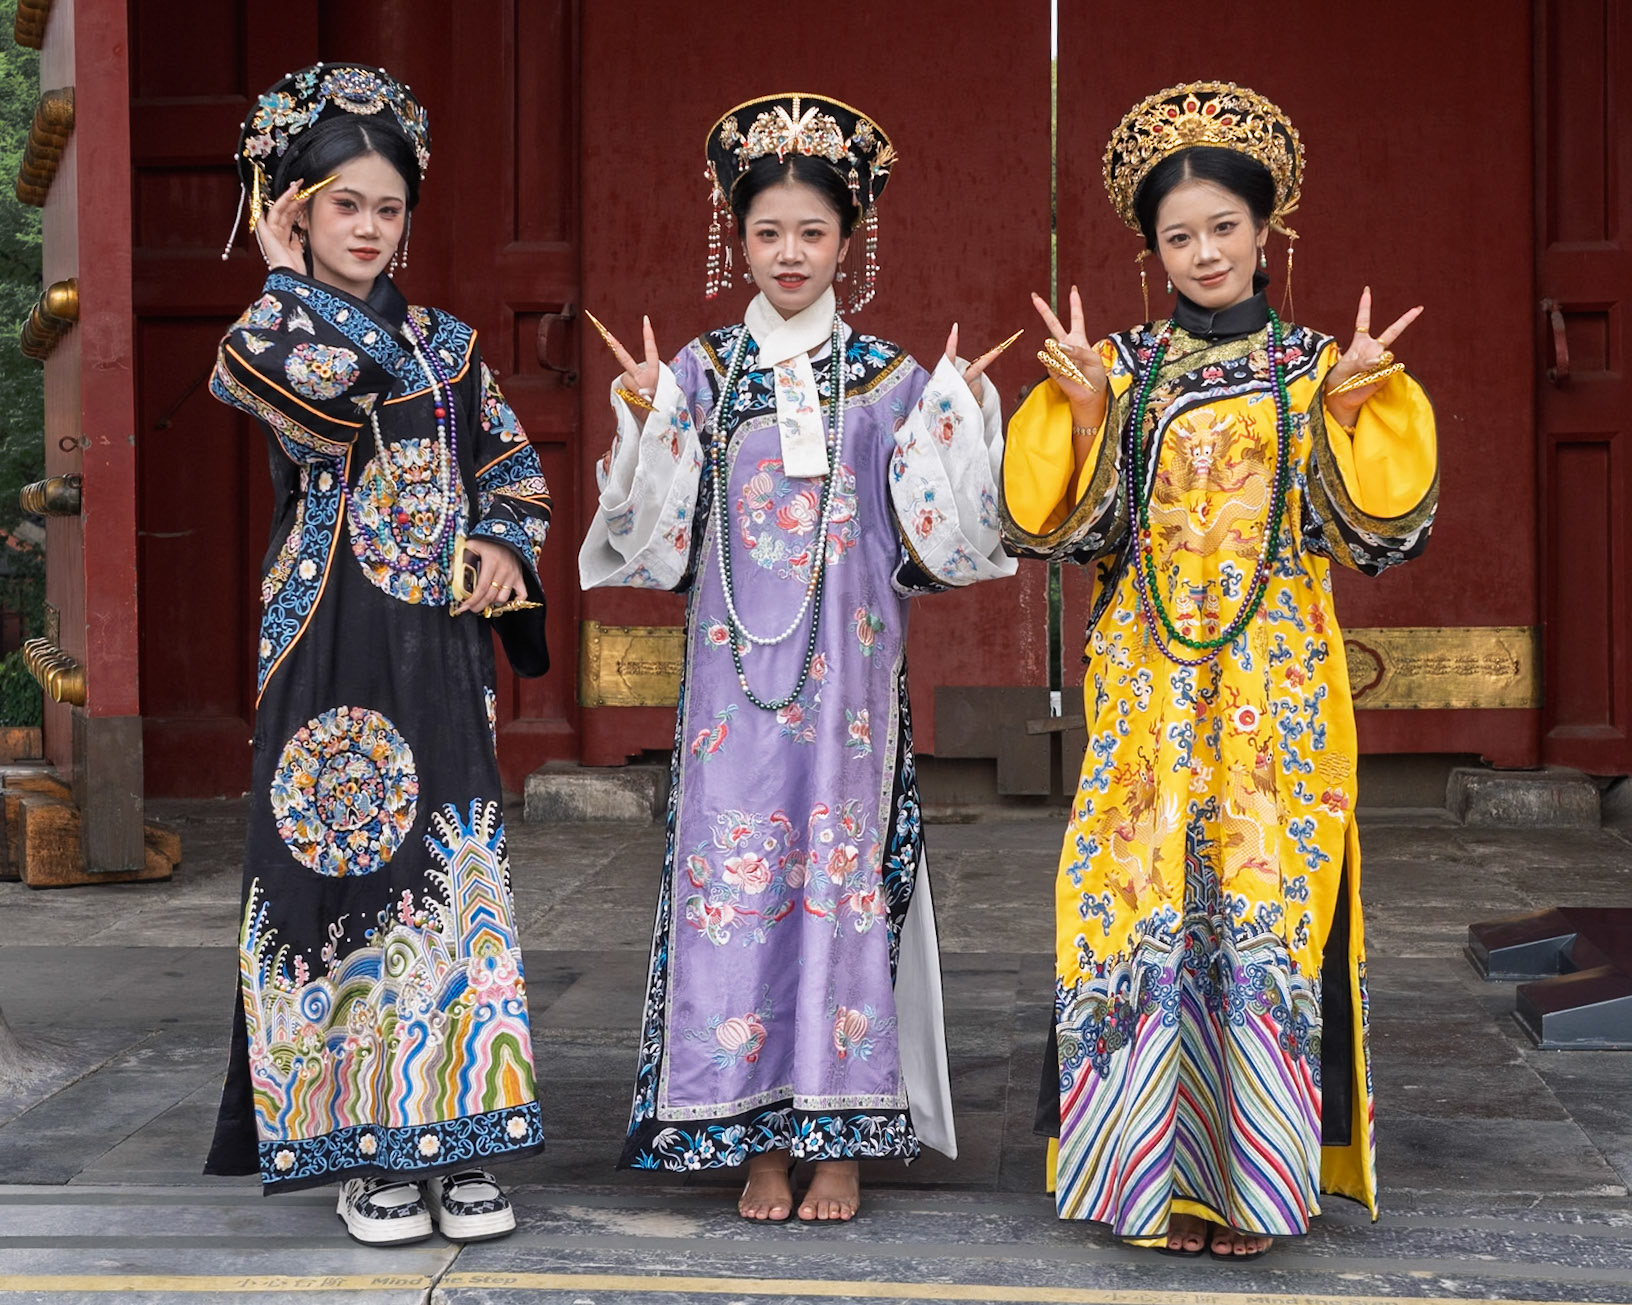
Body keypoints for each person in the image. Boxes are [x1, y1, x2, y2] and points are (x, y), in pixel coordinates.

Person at [1001, 82, 1437, 1260]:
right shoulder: (1125, 368)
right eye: (1177, 236)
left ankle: (1250, 1187)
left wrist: (1355, 411)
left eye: (1223, 229)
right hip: (1149, 676)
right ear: (1151, 250)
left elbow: (1380, 538)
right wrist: (1086, 417)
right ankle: (1150, 1177)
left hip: (1275, 689)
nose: (1203, 253)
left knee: (1261, 908)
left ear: (1267, 229)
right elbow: (1070, 539)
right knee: (1139, 902)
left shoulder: (1309, 365)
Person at [580, 93, 1018, 1223]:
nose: (789, 253)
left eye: (812, 233)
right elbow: (652, 536)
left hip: (851, 703)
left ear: (848, 245)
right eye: (767, 231)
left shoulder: (886, 378)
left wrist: (959, 425)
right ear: (737, 239)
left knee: (841, 891)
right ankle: (753, 1140)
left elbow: (945, 540)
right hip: (734, 696)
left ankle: (842, 1140)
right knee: (736, 889)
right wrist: (647, 424)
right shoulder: (700, 370)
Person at [204, 63, 552, 1247]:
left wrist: (505, 548)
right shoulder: (268, 330)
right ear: (294, 206)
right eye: (343, 203)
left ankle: (456, 1138)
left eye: (387, 208)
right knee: (338, 871)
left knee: (453, 881)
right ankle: (363, 1147)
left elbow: (509, 465)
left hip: (440, 648)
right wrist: (284, 283)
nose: (368, 226)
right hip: (329, 645)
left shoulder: (452, 346)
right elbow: (305, 403)